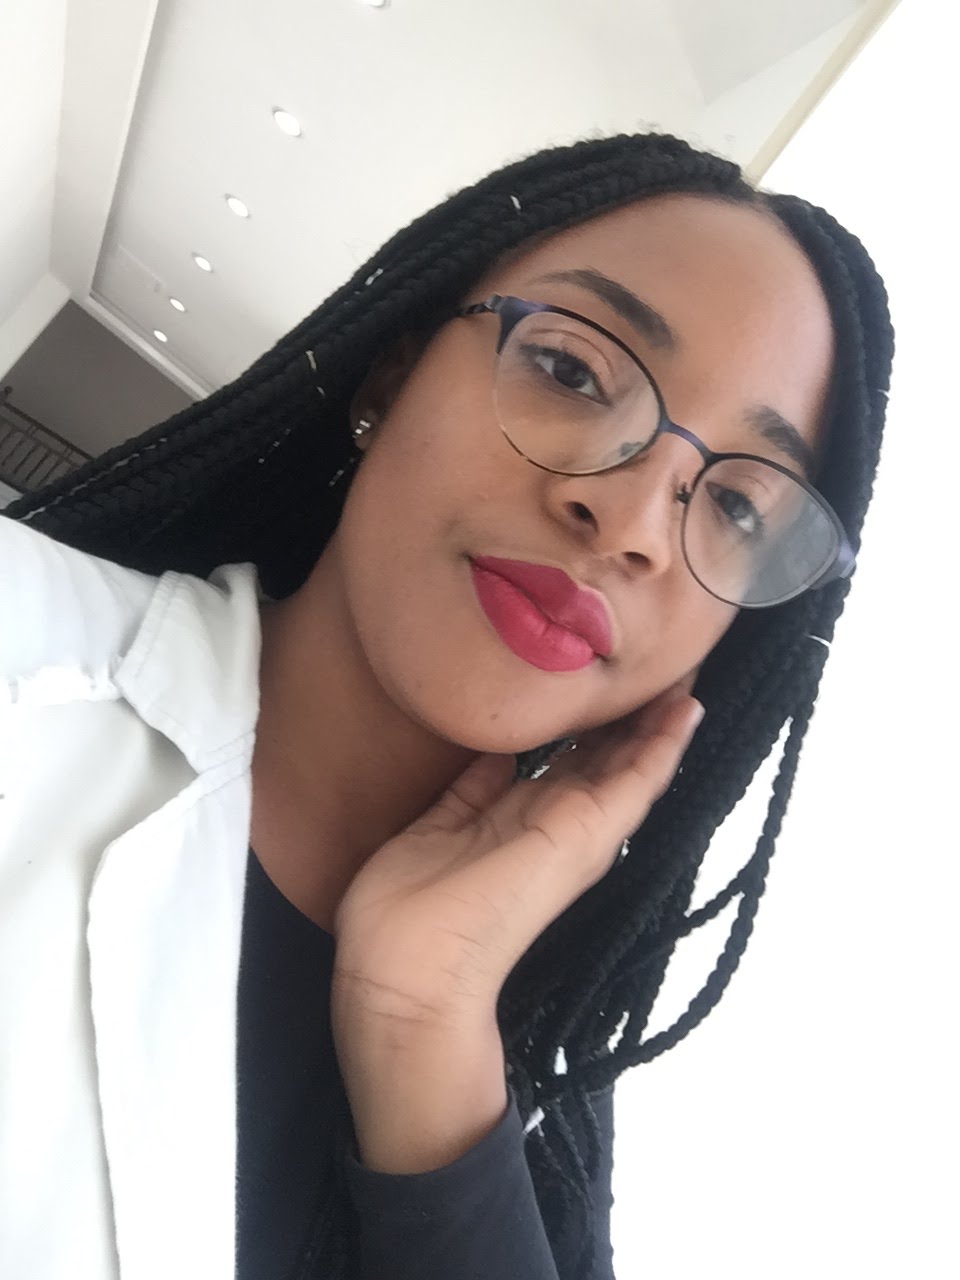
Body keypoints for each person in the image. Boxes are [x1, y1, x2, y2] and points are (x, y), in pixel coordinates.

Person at [0, 132, 894, 1280]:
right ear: (391, 377)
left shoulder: (543, 1110)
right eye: (574, 370)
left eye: (738, 507)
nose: (630, 522)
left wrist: (422, 1024)